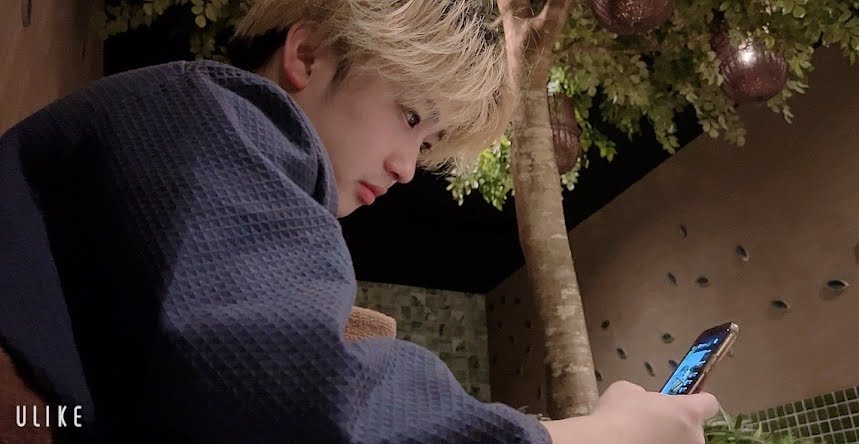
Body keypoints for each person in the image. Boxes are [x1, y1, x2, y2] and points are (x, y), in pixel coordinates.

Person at [0, 0, 720, 442]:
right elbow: (310, 406)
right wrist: (595, 438)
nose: (408, 168)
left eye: (427, 142)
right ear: (307, 53)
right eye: (409, 116)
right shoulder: (221, 115)